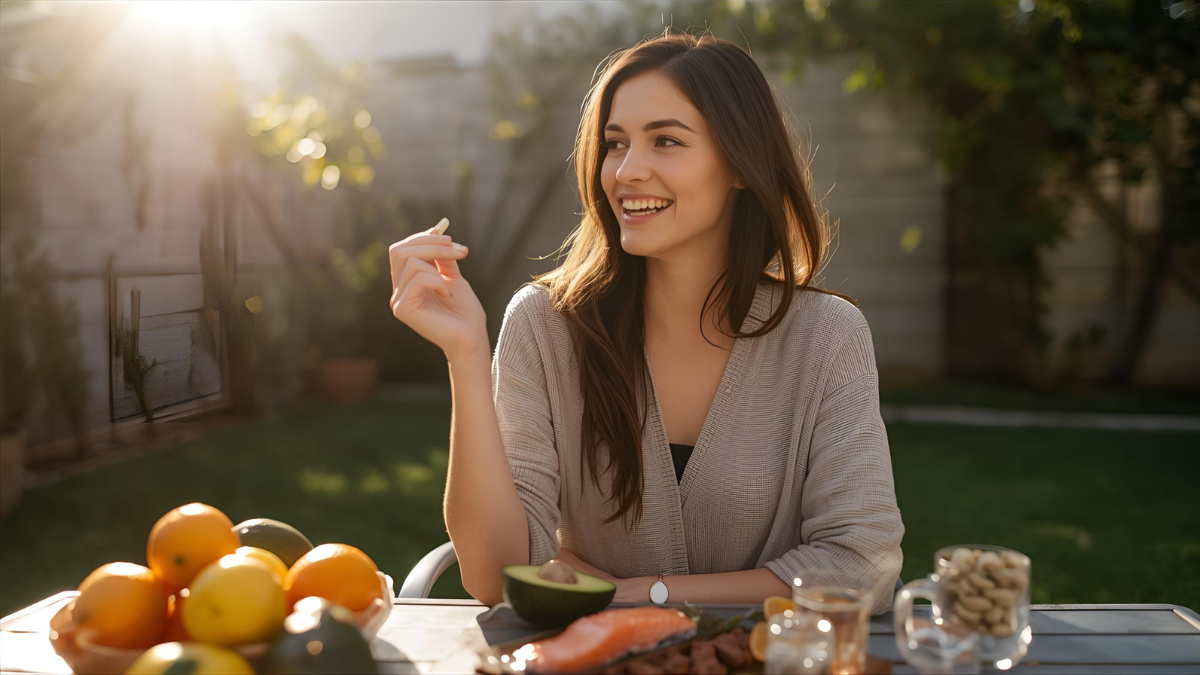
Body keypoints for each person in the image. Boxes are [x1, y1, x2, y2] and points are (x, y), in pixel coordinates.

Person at [387, 30, 903, 614]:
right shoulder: (545, 325)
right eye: (615, 144)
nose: (627, 171)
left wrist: (648, 593)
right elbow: (494, 574)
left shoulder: (827, 335)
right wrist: (466, 355)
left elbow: (863, 567)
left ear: (739, 163)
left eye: (665, 141)